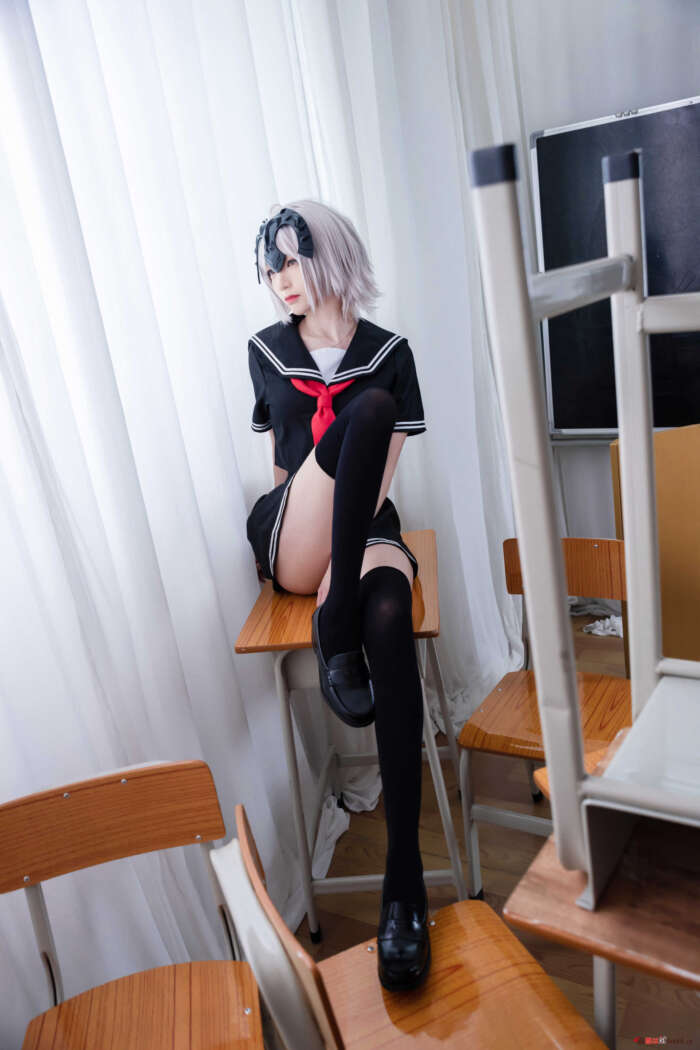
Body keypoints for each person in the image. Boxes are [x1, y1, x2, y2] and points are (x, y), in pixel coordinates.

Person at [246, 200, 429, 990]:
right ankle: (334, 617)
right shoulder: (265, 350)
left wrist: (343, 568)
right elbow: (285, 475)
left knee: (388, 615)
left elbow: (379, 483)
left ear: (328, 255)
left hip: (363, 527)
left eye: (291, 260)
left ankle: (404, 885)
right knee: (369, 409)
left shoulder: (390, 352)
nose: (281, 280)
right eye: (271, 268)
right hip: (294, 529)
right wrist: (311, 555)